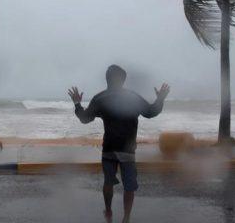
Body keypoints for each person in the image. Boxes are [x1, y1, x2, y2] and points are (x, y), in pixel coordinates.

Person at [67, 64, 170, 223]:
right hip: (127, 150)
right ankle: (126, 218)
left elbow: (85, 119)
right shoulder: (132, 97)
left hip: (109, 148)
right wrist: (160, 98)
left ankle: (108, 211)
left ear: (107, 79)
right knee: (129, 186)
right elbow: (150, 112)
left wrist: (77, 104)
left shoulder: (100, 98)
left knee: (108, 182)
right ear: (123, 80)